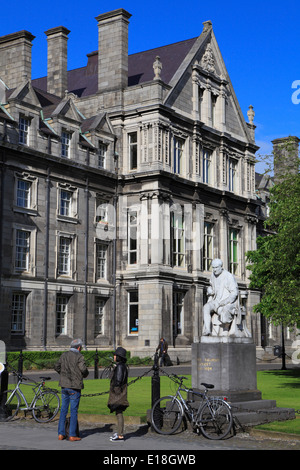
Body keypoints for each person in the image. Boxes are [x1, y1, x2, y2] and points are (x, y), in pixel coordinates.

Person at [54, 338, 89, 441]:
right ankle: (72, 434)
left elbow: (56, 366)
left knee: (63, 410)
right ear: (79, 347)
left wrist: (63, 374)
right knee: (73, 411)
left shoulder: (64, 355)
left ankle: (61, 433)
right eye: (81, 347)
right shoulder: (79, 356)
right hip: (74, 386)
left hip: (64, 385)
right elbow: (83, 369)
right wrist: (85, 374)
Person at [202, 259, 241, 336]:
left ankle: (225, 329)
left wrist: (224, 302)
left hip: (226, 302)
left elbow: (234, 293)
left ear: (221, 267)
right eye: (213, 268)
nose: (214, 270)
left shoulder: (228, 276)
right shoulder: (213, 275)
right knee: (206, 307)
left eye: (216, 267)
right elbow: (212, 287)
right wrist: (210, 290)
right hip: (216, 301)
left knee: (224, 311)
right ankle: (207, 330)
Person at [107, 347, 129, 441]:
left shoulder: (120, 366)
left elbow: (118, 380)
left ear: (119, 357)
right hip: (120, 391)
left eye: (115, 355)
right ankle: (120, 433)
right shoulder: (121, 365)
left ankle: (120, 435)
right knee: (118, 411)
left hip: (118, 392)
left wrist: (115, 389)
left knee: (119, 412)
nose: (114, 356)